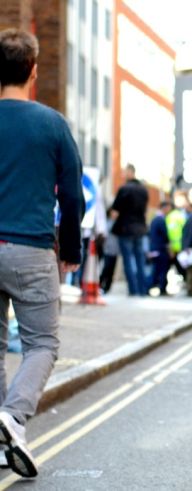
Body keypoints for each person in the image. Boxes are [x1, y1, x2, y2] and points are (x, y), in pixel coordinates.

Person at [0, 28, 84, 478]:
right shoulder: (51, 124)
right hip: (30, 249)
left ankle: (2, 439)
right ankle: (13, 417)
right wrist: (70, 248)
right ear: (33, 71)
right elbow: (71, 195)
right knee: (43, 343)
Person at [110, 164, 149, 296]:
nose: (123, 174)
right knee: (140, 260)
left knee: (128, 260)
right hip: (140, 229)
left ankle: (133, 290)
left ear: (130, 172)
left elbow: (114, 212)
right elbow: (145, 212)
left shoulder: (124, 189)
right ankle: (142, 290)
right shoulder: (144, 190)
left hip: (125, 228)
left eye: (125, 172)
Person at [147, 201, 172, 295]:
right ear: (164, 208)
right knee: (160, 270)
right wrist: (169, 247)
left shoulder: (155, 219)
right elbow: (165, 235)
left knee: (157, 269)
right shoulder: (160, 220)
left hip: (155, 248)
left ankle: (153, 287)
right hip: (160, 249)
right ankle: (159, 288)